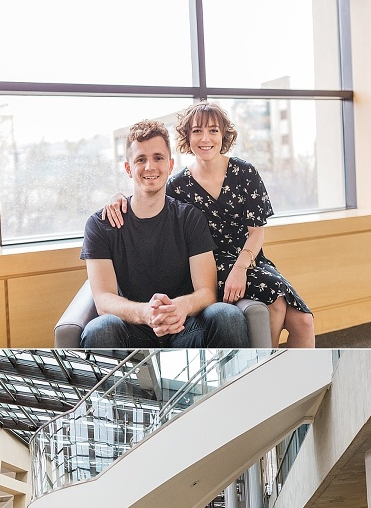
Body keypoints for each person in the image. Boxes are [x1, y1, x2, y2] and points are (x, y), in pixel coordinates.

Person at [103, 103, 314, 347]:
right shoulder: (178, 185)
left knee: (304, 322)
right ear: (187, 137)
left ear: (223, 135)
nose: (206, 138)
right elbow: (148, 192)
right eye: (197, 131)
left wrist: (241, 268)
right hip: (209, 265)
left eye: (213, 131)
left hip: (249, 259)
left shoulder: (245, 173)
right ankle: (267, 366)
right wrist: (116, 197)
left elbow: (256, 233)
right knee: (276, 305)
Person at [80, 119, 250, 349]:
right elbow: (103, 301)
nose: (150, 167)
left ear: (170, 165)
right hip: (132, 328)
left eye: (158, 158)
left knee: (228, 316)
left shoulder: (190, 218)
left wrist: (179, 308)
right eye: (141, 159)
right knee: (100, 329)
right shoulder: (100, 225)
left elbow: (207, 291)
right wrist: (145, 312)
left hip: (185, 326)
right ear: (128, 168)